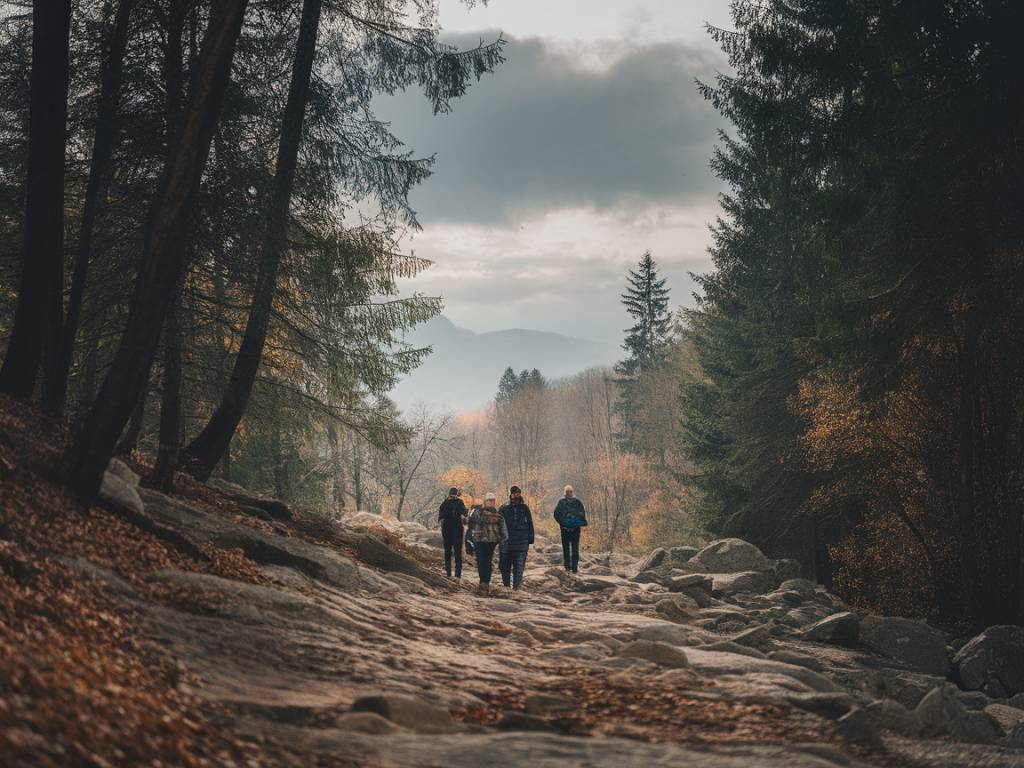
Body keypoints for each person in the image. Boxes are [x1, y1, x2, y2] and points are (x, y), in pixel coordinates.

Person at [465, 492, 508, 595]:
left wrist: (504, 538)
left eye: (492, 500)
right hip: (479, 540)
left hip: (491, 541)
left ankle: (486, 583)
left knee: (487, 561)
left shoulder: (497, 513)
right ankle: (482, 582)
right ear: (485, 501)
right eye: (489, 500)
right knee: (481, 561)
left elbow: (503, 526)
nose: (490, 502)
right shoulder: (478, 511)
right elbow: (472, 523)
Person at [498, 485, 534, 591]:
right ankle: (507, 589)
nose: (516, 496)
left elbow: (530, 524)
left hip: (521, 544)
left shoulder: (524, 508)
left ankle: (516, 590)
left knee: (518, 569)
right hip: (507, 544)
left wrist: (530, 538)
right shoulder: (503, 508)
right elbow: (499, 526)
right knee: (505, 569)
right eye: (514, 494)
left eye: (518, 493)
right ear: (511, 494)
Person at [553, 484, 587, 574]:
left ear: (572, 492)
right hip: (566, 529)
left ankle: (573, 568)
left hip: (572, 530)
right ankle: (569, 568)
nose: (569, 493)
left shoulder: (576, 502)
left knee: (573, 549)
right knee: (568, 549)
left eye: (570, 491)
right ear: (565, 492)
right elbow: (556, 515)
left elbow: (582, 514)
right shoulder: (562, 502)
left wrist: (571, 524)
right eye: (568, 492)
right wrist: (565, 524)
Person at [437, 487, 467, 579]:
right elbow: (464, 516)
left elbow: (441, 518)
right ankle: (457, 575)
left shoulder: (444, 503)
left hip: (447, 531)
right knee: (457, 553)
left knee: (448, 553)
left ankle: (449, 574)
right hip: (457, 531)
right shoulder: (459, 502)